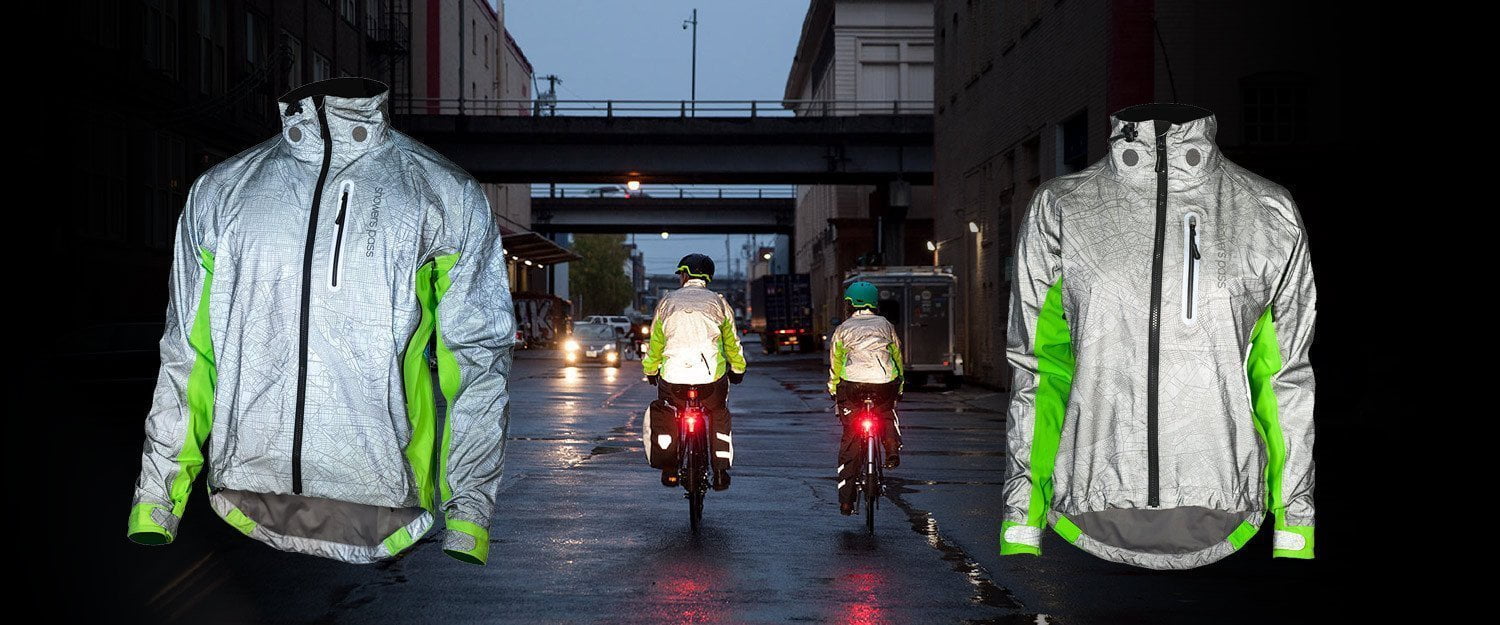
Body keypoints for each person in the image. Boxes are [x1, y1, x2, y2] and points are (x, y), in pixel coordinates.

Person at [641, 254, 747, 490]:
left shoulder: (667, 302)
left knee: (668, 410)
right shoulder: (719, 303)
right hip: (710, 380)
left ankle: (669, 469)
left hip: (673, 379)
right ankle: (719, 472)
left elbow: (655, 343)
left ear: (686, 275)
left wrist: (650, 370)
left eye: (681, 273)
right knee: (718, 412)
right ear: (707, 277)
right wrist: (738, 369)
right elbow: (731, 343)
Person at [827, 281, 903, 515]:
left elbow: (836, 362)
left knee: (850, 438)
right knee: (885, 412)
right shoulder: (886, 325)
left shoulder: (843, 329)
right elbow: (896, 357)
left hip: (853, 385)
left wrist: (833, 388)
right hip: (883, 383)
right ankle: (890, 447)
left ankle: (846, 501)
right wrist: (898, 386)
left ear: (850, 303)